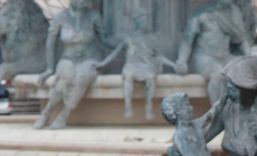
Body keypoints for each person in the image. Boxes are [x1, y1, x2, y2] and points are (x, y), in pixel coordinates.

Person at [33, 0, 113, 129]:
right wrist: (49, 68)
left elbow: (105, 39)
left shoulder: (93, 16)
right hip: (68, 58)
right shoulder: (61, 17)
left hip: (90, 58)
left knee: (82, 77)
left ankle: (64, 115)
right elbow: (50, 43)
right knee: (65, 78)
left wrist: (123, 43)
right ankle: (46, 112)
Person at [175, 0, 254, 103]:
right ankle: (219, 110)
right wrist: (182, 60)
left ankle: (244, 111)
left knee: (245, 72)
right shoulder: (202, 12)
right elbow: (187, 39)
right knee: (218, 75)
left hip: (225, 56)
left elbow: (241, 40)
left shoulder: (234, 15)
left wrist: (250, 58)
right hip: (205, 56)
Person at [119, 8, 177, 119]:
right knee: (128, 76)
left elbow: (159, 56)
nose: (146, 22)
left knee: (151, 77)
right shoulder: (129, 38)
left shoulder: (152, 38)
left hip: (146, 65)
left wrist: (174, 65)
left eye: (147, 20)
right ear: (137, 21)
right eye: (143, 19)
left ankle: (149, 106)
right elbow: (115, 51)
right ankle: (128, 106)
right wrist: (102, 63)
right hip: (132, 65)